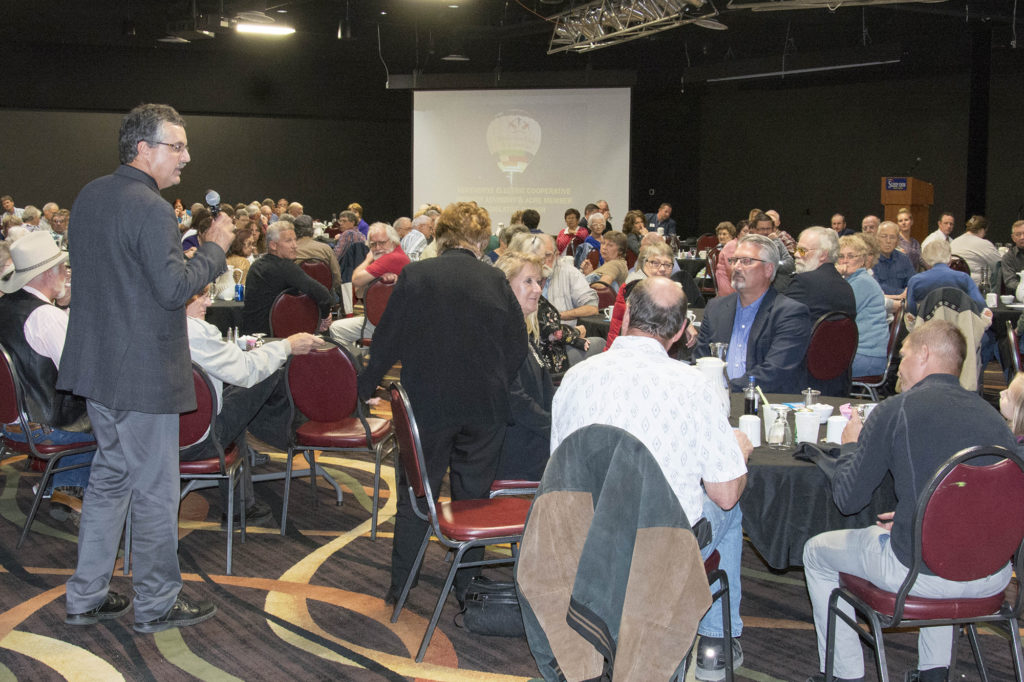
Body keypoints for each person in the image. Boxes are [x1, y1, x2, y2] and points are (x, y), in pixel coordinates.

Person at [59, 103, 235, 633]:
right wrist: (215, 249)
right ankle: (157, 602)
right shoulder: (152, 208)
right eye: (176, 146)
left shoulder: (90, 195)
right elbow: (174, 290)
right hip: (142, 375)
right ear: (144, 150)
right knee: (155, 491)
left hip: (99, 370)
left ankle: (85, 595)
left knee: (110, 480)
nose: (186, 156)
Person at [552, 276, 751, 682]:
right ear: (679, 332)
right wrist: (739, 454)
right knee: (732, 509)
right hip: (659, 546)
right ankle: (715, 644)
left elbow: (558, 470)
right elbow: (725, 494)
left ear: (624, 319)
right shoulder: (695, 387)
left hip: (585, 540)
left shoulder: (575, 378)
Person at [803, 320, 1018, 682]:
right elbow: (977, 498)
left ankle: (843, 675)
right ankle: (934, 672)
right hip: (993, 575)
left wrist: (850, 444)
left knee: (816, 551)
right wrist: (913, 516)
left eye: (902, 355)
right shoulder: (995, 420)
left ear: (924, 354)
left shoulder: (895, 410)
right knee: (942, 544)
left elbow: (848, 499)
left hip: (916, 576)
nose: (897, 366)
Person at [357, 201, 526, 607]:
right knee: (473, 497)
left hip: (427, 407)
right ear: (482, 239)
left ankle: (402, 585)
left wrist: (361, 389)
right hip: (485, 408)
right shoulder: (495, 279)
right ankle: (468, 588)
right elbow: (518, 346)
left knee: (418, 493)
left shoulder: (416, 275)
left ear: (441, 235)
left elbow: (386, 342)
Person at [184, 286, 321, 526]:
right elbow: (246, 371)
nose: (208, 303)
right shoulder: (196, 331)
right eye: (202, 297)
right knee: (266, 377)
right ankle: (292, 431)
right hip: (196, 443)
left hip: (144, 442)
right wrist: (287, 345)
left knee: (234, 405)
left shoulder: (144, 323)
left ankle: (242, 506)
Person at [0, 232, 93, 524]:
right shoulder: (45, 317)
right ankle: (79, 495)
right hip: (45, 425)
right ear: (48, 273)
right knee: (114, 418)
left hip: (12, 422)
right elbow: (83, 370)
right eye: (64, 269)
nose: (68, 276)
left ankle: (64, 487)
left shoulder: (6, 307)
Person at [696, 234, 811, 393]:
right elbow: (700, 359)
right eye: (734, 260)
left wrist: (725, 388)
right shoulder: (715, 308)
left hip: (764, 403)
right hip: (714, 400)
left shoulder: (790, 313)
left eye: (746, 261)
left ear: (769, 269)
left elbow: (774, 372)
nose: (736, 267)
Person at [494, 252, 554, 480]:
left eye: (538, 282)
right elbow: (515, 401)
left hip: (531, 437)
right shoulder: (502, 334)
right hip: (516, 450)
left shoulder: (521, 331)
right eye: (528, 281)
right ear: (505, 286)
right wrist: (556, 427)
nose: (538, 290)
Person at [241, 222, 331, 336]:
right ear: (273, 245)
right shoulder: (285, 267)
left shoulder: (256, 265)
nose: (295, 245)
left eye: (295, 240)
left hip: (250, 333)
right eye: (289, 241)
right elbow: (323, 294)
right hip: (275, 335)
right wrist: (324, 317)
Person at [328, 222, 409, 348]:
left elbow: (355, 280)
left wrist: (367, 259)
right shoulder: (395, 255)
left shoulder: (390, 259)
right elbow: (360, 292)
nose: (377, 248)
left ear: (393, 242)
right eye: (373, 244)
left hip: (388, 324)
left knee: (336, 328)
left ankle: (351, 365)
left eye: (382, 243)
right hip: (386, 319)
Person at [605, 242, 697, 350]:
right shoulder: (635, 281)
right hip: (623, 350)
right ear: (645, 263)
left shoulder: (657, 283)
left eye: (667, 265)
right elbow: (651, 306)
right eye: (655, 263)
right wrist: (686, 324)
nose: (662, 269)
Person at [836, 235, 889, 378]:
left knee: (815, 365)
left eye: (851, 256)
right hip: (863, 353)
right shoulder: (855, 280)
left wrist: (833, 275)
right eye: (841, 256)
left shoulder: (862, 282)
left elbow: (836, 313)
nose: (845, 260)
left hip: (867, 356)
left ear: (863, 259)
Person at [906, 239, 985, 315]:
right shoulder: (964, 278)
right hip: (959, 327)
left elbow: (910, 312)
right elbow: (980, 305)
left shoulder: (915, 281)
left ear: (925, 261)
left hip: (927, 327)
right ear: (950, 259)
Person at [950, 214, 1001, 287]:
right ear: (982, 230)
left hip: (954, 285)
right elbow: (998, 264)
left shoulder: (954, 242)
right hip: (976, 287)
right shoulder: (984, 244)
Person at [872, 221, 915, 301]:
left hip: (904, 304)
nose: (888, 241)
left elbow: (912, 284)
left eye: (892, 237)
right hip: (880, 305)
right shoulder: (870, 260)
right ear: (876, 238)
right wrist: (900, 294)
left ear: (898, 241)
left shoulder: (904, 259)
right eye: (884, 236)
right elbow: (875, 290)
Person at [1000, 220, 1024, 293]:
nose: (1022, 237)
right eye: (1018, 234)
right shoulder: (1008, 257)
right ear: (1013, 238)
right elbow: (1010, 282)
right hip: (1018, 298)